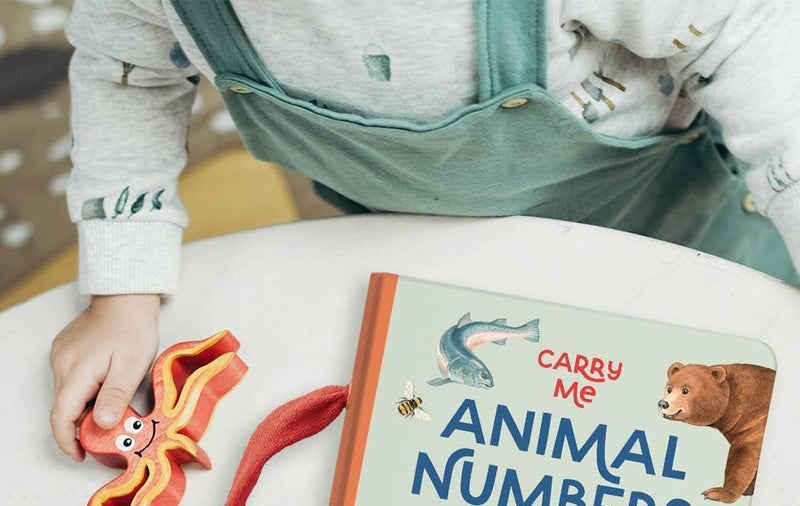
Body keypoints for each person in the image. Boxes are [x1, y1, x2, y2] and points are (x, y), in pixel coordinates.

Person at [50, 0, 800, 459]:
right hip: (410, 247)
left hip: (670, 229)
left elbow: (753, 40)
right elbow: (128, 70)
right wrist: (123, 289)